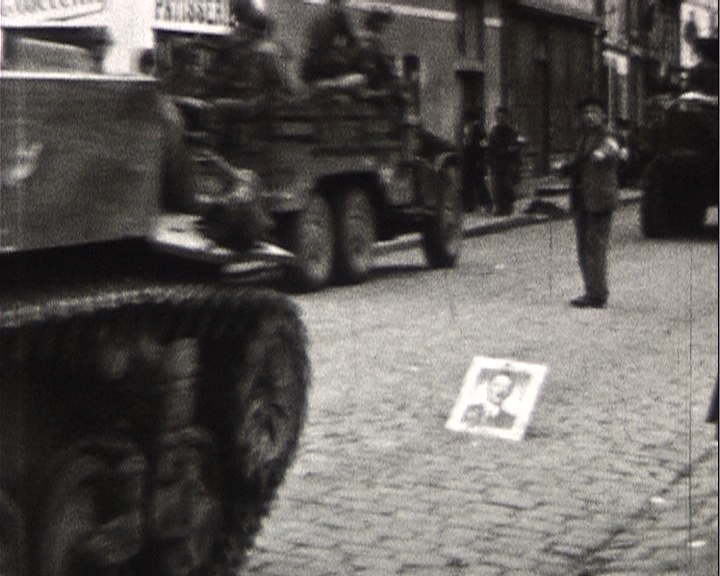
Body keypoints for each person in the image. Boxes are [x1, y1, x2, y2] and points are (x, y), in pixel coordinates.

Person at [556, 96, 626, 309]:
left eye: (595, 112)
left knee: (596, 247)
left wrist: (602, 153)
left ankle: (598, 294)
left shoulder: (609, 135)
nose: (589, 116)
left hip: (600, 198)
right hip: (581, 198)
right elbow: (579, 163)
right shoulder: (583, 137)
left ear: (603, 115)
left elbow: (612, 148)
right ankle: (590, 290)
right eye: (586, 112)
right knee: (584, 248)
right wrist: (564, 167)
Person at [301, 0, 359, 84]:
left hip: (309, 64)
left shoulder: (318, 13)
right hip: (326, 64)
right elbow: (352, 41)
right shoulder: (339, 15)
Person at [488, 106, 521, 215]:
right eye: (498, 116)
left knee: (507, 188)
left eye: (503, 116)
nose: (501, 118)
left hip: (507, 165)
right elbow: (490, 149)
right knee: (496, 188)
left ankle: (507, 209)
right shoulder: (493, 132)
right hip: (496, 165)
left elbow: (515, 148)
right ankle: (498, 207)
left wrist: (516, 164)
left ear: (506, 117)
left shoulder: (511, 132)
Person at [462, 115, 492, 213]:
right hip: (467, 158)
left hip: (476, 159)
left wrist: (481, 158)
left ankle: (486, 203)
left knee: (479, 183)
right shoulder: (463, 128)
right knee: (467, 183)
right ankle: (468, 206)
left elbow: (483, 144)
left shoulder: (478, 128)